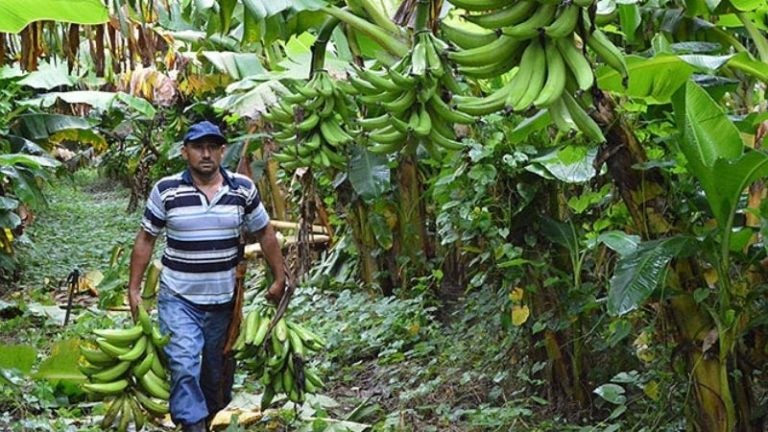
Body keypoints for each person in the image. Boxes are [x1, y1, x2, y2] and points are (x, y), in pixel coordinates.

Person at [127, 120, 285, 432]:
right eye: (199, 147)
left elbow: (265, 232)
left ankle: (207, 416)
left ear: (223, 151)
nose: (206, 153)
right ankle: (192, 425)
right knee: (184, 365)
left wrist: (280, 276)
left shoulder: (242, 189)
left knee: (216, 375)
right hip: (178, 297)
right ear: (185, 152)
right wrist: (133, 290)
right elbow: (146, 239)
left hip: (223, 300)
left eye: (213, 147)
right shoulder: (167, 190)